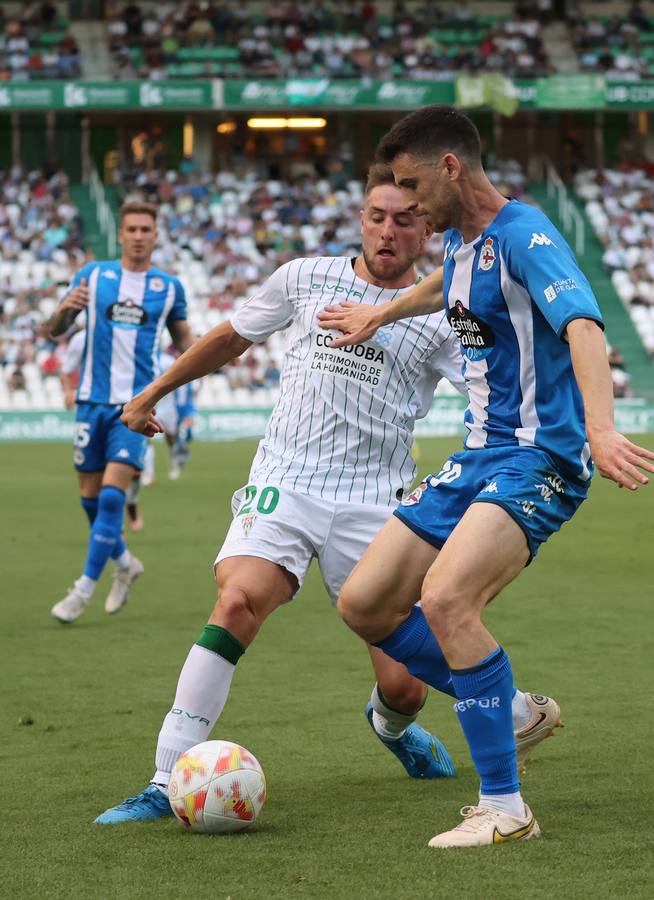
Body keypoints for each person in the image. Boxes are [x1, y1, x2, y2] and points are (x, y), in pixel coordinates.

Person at [95, 165, 558, 825]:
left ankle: (391, 728)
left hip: (376, 503)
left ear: (427, 227)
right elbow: (230, 337)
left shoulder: (442, 316)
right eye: (377, 215)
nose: (388, 230)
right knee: (237, 601)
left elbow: (493, 390)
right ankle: (167, 776)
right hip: (286, 481)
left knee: (403, 686)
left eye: (404, 219)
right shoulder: (304, 278)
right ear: (360, 219)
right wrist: (149, 395)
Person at [317, 106, 654, 848]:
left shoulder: (527, 234)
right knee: (367, 602)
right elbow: (445, 287)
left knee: (445, 598)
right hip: (477, 458)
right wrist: (382, 316)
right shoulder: (468, 249)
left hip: (542, 458)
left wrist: (599, 429)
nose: (403, 205)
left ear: (451, 169)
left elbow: (585, 330)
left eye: (411, 186)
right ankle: (511, 712)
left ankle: (506, 808)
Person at [48, 201, 194, 624]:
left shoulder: (169, 288)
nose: (137, 235)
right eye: (131, 228)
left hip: (135, 407)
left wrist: (228, 349)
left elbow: (186, 340)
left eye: (145, 228)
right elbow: (54, 329)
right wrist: (64, 311)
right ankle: (125, 564)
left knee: (113, 496)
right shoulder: (93, 276)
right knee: (90, 502)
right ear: (121, 234)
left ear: (155, 234)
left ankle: (83, 589)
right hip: (90, 404)